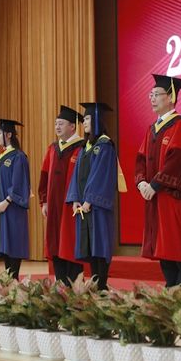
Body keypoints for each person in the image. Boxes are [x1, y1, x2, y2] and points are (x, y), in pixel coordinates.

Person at [135, 74, 181, 287]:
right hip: (154, 198)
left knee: (178, 246)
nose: (152, 98)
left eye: (157, 94)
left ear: (170, 97)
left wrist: (155, 185)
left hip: (172, 197)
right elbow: (140, 158)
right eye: (150, 94)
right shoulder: (152, 128)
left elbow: (177, 160)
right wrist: (141, 182)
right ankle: (170, 289)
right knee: (162, 248)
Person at [66, 102, 123, 290]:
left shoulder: (105, 145)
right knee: (89, 245)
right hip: (83, 206)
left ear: (97, 120)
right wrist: (75, 198)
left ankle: (102, 284)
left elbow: (101, 175)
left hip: (97, 206)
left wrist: (89, 200)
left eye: (88, 118)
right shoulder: (85, 147)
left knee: (100, 243)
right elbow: (76, 175)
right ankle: (95, 282)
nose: (84, 122)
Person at [38, 106, 86, 285]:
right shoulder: (53, 148)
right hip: (53, 205)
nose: (57, 127)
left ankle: (75, 283)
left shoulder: (81, 147)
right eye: (56, 124)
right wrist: (44, 201)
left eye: (61, 124)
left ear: (72, 126)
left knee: (70, 242)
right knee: (55, 243)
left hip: (71, 205)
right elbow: (44, 175)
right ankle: (60, 284)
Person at [0, 118, 31, 280]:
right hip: (0, 207)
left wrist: (7, 201)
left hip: (13, 208)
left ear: (9, 135)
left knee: (13, 243)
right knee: (5, 246)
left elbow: (19, 182)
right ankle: (9, 280)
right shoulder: (2, 157)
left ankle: (13, 279)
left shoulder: (18, 156)